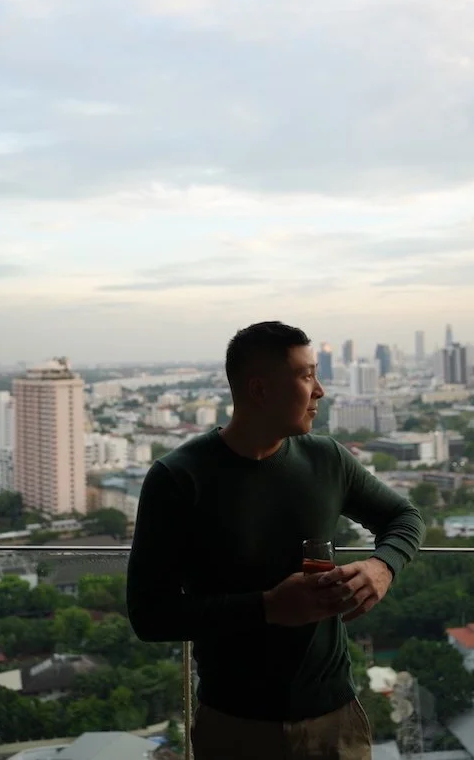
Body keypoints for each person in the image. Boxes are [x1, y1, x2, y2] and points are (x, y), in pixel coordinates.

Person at [127, 321, 425, 760]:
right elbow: (149, 616)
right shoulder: (178, 478)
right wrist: (267, 607)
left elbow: (405, 517)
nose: (320, 390)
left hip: (334, 720)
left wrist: (383, 566)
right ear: (259, 389)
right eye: (306, 376)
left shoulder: (327, 459)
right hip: (233, 725)